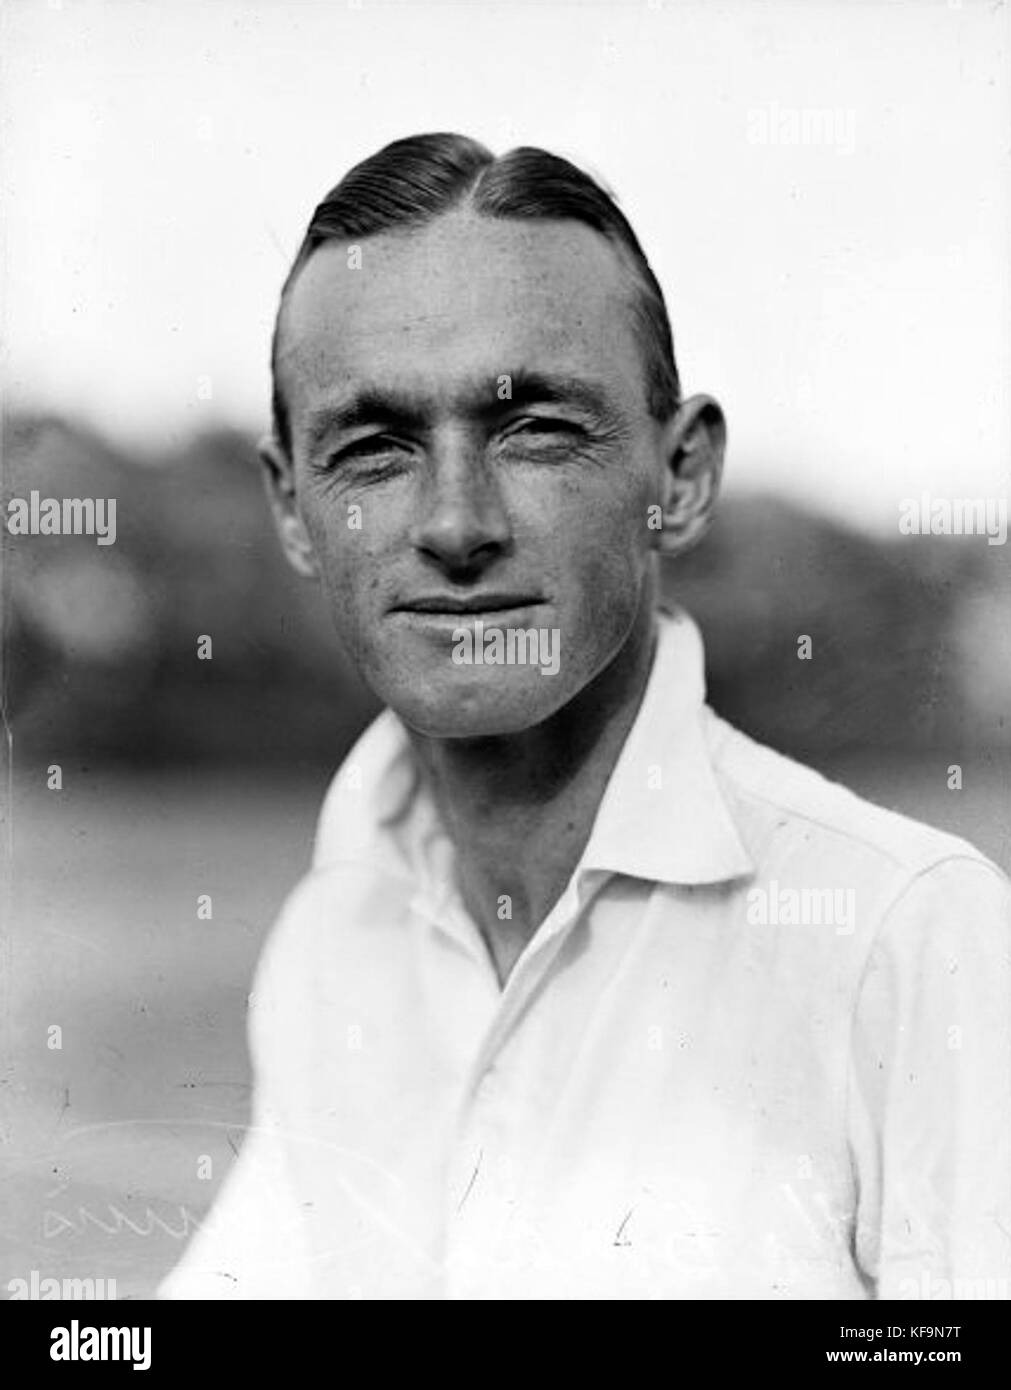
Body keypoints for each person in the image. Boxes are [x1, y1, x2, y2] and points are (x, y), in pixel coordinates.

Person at [159, 133, 1011, 1300]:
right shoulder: (332, 936)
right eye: (374, 448)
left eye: (536, 429)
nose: (457, 524)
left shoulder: (911, 938)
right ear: (294, 511)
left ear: (683, 474)